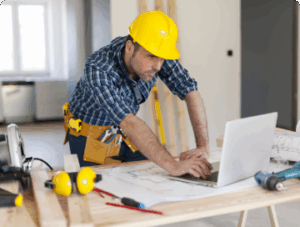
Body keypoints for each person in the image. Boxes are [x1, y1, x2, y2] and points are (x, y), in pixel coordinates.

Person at [64, 10, 212, 179]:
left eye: (162, 59)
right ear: (129, 47)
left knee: (151, 180)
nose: (158, 66)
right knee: (104, 190)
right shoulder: (99, 69)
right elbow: (129, 122)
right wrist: (173, 164)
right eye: (151, 57)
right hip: (91, 137)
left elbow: (190, 90)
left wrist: (203, 146)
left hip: (125, 132)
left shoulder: (156, 51)